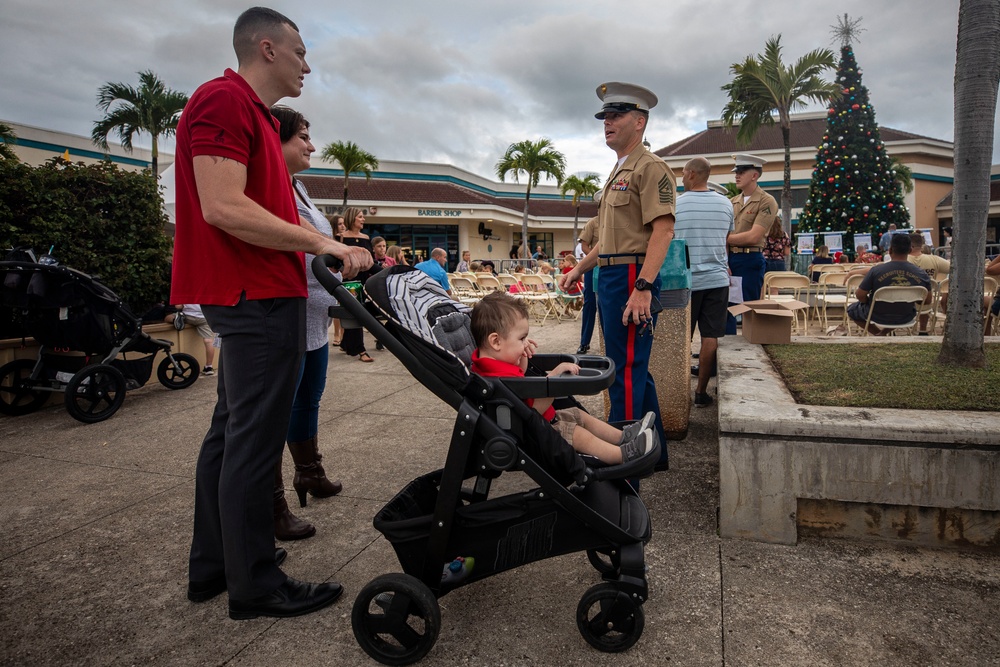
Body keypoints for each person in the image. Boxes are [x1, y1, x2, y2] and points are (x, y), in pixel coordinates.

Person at [172, 7, 370, 620]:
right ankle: (255, 585)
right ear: (266, 49)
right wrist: (324, 242)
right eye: (301, 52)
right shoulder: (224, 102)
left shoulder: (252, 114)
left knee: (230, 438)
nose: (308, 64)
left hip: (254, 295)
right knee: (253, 446)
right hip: (253, 297)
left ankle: (217, 565)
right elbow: (222, 207)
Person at [558, 81, 675, 467]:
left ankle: (624, 468)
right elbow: (607, 241)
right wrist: (578, 268)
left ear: (639, 122)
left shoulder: (650, 167)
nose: (607, 122)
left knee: (623, 369)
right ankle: (653, 453)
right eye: (605, 116)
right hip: (611, 275)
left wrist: (642, 286)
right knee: (633, 364)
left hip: (630, 277)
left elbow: (663, 230)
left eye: (616, 115)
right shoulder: (620, 169)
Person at [470, 292, 655, 464]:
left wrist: (522, 354)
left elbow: (521, 375)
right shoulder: (497, 375)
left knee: (577, 414)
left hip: (539, 424)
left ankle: (623, 437)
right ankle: (623, 455)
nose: (525, 343)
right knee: (578, 434)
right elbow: (534, 410)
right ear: (496, 341)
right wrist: (555, 377)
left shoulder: (489, 364)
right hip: (533, 432)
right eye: (521, 338)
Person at [272, 105, 342, 544]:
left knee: (307, 400)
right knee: (275, 410)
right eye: (302, 137)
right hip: (288, 310)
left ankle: (309, 473)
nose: (311, 145)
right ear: (277, 140)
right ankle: (272, 501)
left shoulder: (299, 187)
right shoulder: (271, 185)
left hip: (315, 312)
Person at [674, 157, 734, 408]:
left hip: (684, 279)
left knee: (681, 339)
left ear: (690, 174)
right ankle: (701, 392)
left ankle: (678, 395)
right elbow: (726, 238)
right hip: (717, 279)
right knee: (710, 336)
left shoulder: (676, 204)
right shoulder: (726, 204)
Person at [725, 153, 777, 335]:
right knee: (727, 310)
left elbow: (754, 236)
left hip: (750, 258)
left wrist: (726, 239)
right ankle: (727, 351)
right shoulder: (732, 202)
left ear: (754, 175)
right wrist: (725, 261)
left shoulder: (766, 201)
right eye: (736, 171)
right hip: (730, 259)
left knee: (749, 308)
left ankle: (751, 350)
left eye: (742, 171)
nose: (737, 175)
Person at [847, 234, 931, 335]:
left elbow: (860, 295)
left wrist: (868, 302)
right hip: (906, 315)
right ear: (909, 250)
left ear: (890, 250)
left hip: (876, 314)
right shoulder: (921, 274)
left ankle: (880, 335)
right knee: (898, 310)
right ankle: (883, 334)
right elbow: (927, 301)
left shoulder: (876, 271)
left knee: (852, 310)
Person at [338, 207, 377, 362]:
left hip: (364, 280)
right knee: (357, 311)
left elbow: (370, 262)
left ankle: (345, 343)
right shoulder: (341, 238)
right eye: (360, 216)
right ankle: (360, 350)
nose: (363, 219)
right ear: (352, 218)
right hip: (349, 280)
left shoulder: (366, 238)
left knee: (356, 311)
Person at [172, 304, 218, 376]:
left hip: (188, 316)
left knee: (167, 317)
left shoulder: (185, 292)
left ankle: (177, 318)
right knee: (208, 341)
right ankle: (209, 367)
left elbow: (178, 306)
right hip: (204, 317)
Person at [576, 216, 599, 355]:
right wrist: (597, 259)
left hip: (614, 266)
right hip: (594, 266)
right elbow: (584, 246)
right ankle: (584, 342)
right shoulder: (593, 222)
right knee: (589, 303)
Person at [329, 215, 347, 346]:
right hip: (334, 274)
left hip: (345, 274)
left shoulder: (346, 240)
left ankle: (344, 334)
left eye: (344, 223)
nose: (343, 226)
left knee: (345, 306)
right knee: (337, 305)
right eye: (340, 224)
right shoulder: (330, 240)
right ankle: (336, 333)